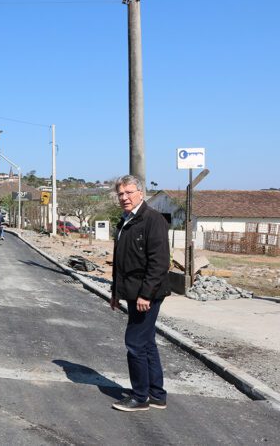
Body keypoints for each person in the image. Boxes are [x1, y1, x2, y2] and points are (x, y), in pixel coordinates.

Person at [110, 174, 171, 412]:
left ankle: (140, 397)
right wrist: (115, 292)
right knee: (146, 343)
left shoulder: (152, 220)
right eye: (121, 194)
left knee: (134, 342)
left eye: (129, 193)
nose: (124, 198)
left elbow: (159, 262)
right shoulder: (125, 220)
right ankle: (156, 394)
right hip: (132, 291)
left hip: (148, 294)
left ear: (141, 193)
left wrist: (146, 294)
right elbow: (120, 261)